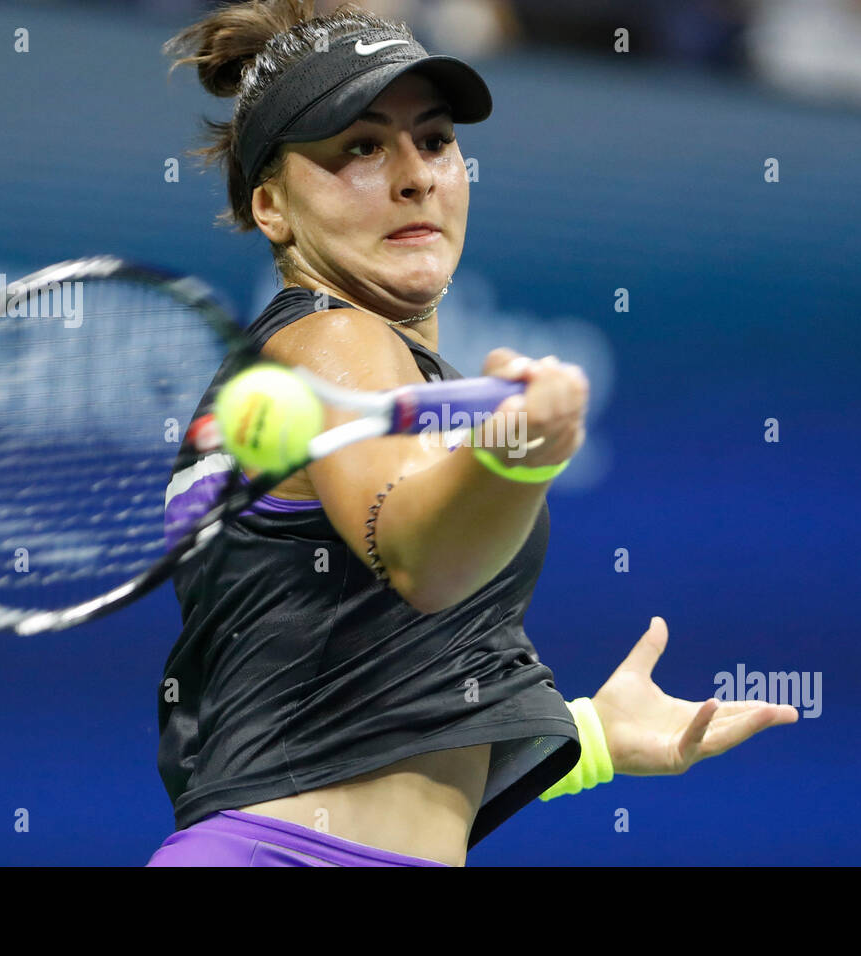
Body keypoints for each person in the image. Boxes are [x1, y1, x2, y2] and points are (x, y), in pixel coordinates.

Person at [147, 0, 797, 868]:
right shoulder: (330, 339)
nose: (415, 176)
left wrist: (592, 739)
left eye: (435, 140)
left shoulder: (367, 367)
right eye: (362, 147)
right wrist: (518, 454)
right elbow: (421, 556)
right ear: (271, 205)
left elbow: (354, 704)